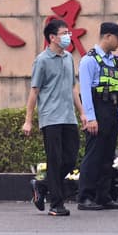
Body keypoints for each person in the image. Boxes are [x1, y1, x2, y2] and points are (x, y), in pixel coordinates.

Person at [22, 19, 86, 217]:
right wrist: (28, 120)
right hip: (51, 118)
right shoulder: (42, 60)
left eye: (68, 32)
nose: (68, 36)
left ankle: (41, 185)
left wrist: (82, 112)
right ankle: (56, 205)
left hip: (69, 117)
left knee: (71, 159)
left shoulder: (68, 58)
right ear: (52, 37)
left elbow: (73, 87)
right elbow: (34, 91)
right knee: (55, 160)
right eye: (64, 33)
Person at [77, 22, 118, 211]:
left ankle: (103, 196)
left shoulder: (112, 60)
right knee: (93, 155)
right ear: (107, 36)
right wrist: (90, 117)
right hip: (98, 110)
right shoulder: (89, 60)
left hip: (112, 110)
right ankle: (85, 197)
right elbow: (85, 91)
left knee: (107, 156)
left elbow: (117, 89)